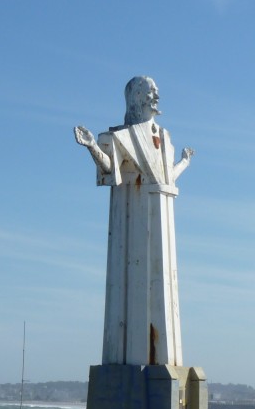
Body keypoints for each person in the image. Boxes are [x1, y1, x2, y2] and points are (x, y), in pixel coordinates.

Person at [74, 77, 193, 367]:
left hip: (163, 211)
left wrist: (184, 162)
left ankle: (165, 361)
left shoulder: (164, 138)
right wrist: (91, 146)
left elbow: (167, 178)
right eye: (151, 92)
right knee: (136, 301)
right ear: (137, 97)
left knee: (166, 295)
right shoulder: (123, 136)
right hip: (135, 219)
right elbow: (110, 168)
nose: (157, 96)